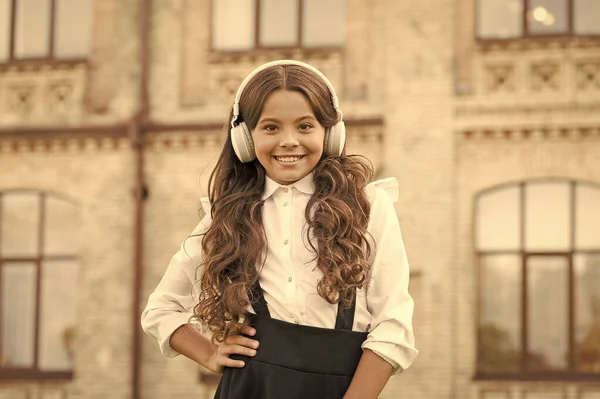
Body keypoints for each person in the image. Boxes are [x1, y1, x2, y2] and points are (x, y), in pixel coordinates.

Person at [141, 60, 418, 399]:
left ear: (330, 132)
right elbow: (161, 309)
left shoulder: (369, 206)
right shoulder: (224, 216)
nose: (289, 141)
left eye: (305, 126)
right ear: (244, 138)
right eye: (270, 128)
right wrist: (208, 353)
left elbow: (394, 325)